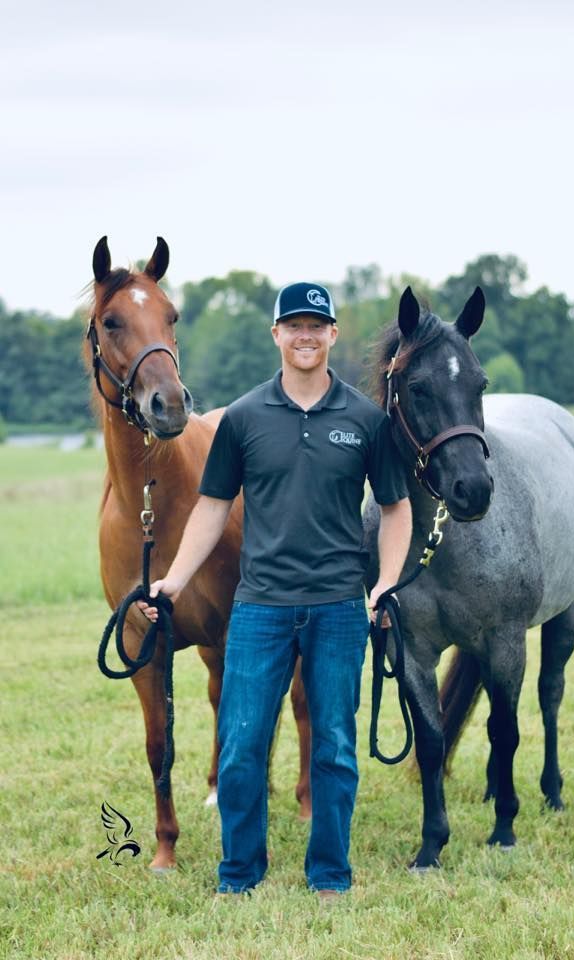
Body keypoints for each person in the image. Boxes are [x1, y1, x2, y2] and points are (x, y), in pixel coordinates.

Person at [139, 281, 411, 898]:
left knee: (334, 747)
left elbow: (396, 509)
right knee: (240, 745)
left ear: (332, 334)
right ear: (277, 335)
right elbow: (212, 507)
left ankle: (330, 875)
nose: (305, 335)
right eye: (294, 326)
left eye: (316, 325)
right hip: (260, 607)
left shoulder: (365, 421)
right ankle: (239, 874)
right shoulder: (243, 418)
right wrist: (174, 581)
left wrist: (386, 585)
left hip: (339, 607)